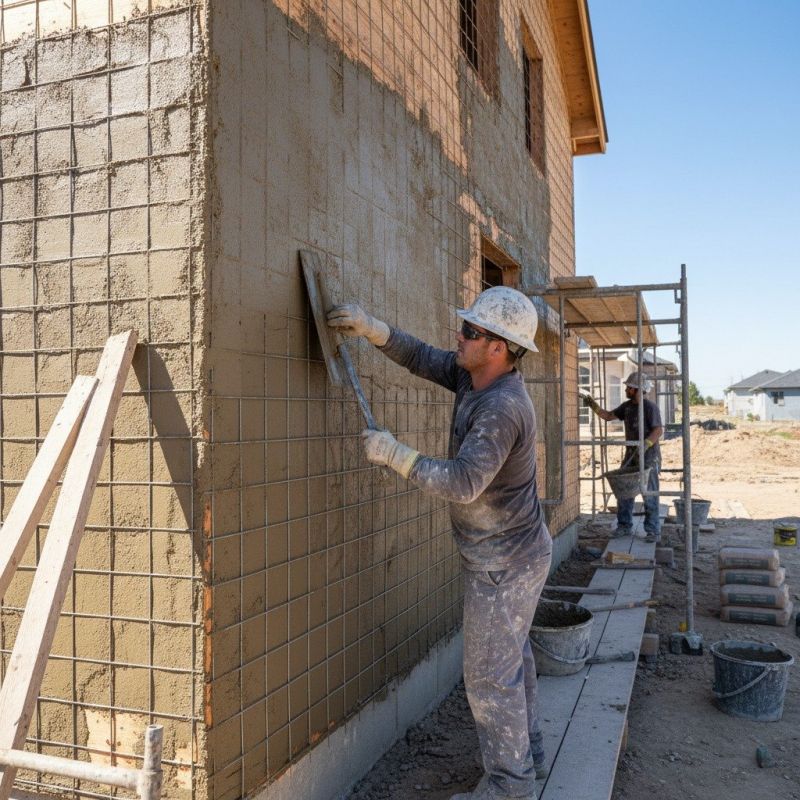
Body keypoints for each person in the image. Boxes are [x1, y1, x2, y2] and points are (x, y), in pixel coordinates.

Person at [328, 286, 551, 800]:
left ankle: (510, 788)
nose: (460, 335)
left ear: (498, 347)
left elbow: (464, 483)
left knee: (490, 678)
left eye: (470, 331)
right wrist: (372, 328)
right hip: (509, 554)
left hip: (505, 563)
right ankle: (530, 755)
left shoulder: (502, 408)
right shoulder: (476, 376)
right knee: (512, 660)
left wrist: (396, 455)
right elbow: (423, 357)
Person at [582, 371, 664, 542]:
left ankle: (653, 531)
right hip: (631, 455)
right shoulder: (627, 407)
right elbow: (608, 416)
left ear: (637, 389)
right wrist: (593, 405)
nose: (626, 389)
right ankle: (624, 526)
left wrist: (646, 444)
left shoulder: (650, 408)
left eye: (629, 387)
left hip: (649, 457)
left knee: (649, 493)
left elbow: (658, 430)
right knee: (624, 490)